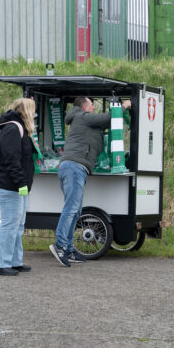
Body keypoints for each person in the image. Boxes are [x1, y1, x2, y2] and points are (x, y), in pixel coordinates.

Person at [50, 96, 131, 266]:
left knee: (76, 211)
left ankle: (70, 250)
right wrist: (123, 106)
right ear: (85, 107)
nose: (94, 107)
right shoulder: (82, 117)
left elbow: (105, 124)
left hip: (76, 168)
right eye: (92, 105)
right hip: (74, 167)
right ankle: (59, 245)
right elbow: (109, 118)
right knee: (71, 208)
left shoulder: (83, 120)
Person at [0, 98, 38, 276]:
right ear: (26, 111)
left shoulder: (20, 128)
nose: (35, 115)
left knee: (18, 224)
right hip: (10, 185)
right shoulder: (12, 128)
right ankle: (0, 263)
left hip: (17, 185)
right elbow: (11, 159)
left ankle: (14, 261)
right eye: (33, 110)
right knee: (10, 224)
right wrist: (20, 183)